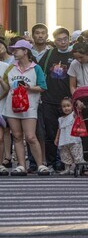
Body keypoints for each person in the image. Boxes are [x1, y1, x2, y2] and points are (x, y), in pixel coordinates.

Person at [0, 40, 50, 175]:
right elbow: (7, 87)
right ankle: (21, 165)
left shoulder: (36, 68)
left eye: (17, 50)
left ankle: (41, 165)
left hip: (29, 107)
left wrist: (29, 88)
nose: (14, 52)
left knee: (31, 137)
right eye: (14, 50)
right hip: (12, 106)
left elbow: (43, 87)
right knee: (16, 136)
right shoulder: (11, 68)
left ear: (25, 51)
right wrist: (1, 80)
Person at [36, 27, 74, 169]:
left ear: (69, 39)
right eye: (59, 40)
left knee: (69, 132)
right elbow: (39, 71)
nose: (63, 42)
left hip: (68, 101)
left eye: (65, 39)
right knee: (51, 132)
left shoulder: (74, 54)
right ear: (54, 41)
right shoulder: (49, 53)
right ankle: (52, 162)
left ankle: (68, 162)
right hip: (49, 99)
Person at [54, 97, 83, 175]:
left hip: (74, 139)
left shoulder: (73, 115)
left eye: (68, 106)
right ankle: (67, 168)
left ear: (72, 107)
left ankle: (77, 168)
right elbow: (59, 129)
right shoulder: (60, 119)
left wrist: (77, 104)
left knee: (76, 154)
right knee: (65, 155)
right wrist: (57, 138)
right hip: (64, 140)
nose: (66, 108)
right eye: (64, 106)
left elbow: (78, 111)